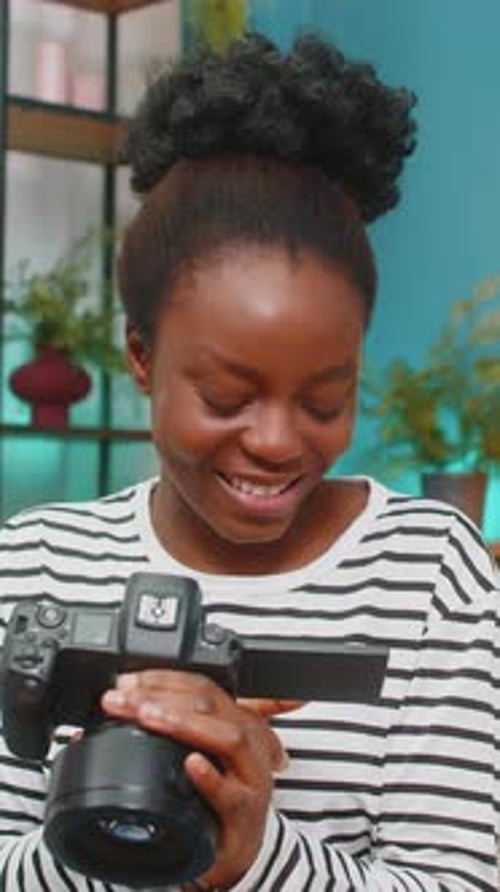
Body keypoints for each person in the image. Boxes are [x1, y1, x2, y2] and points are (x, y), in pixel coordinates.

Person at [0, 32, 498, 892]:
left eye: (324, 400)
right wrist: (118, 804)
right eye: (228, 398)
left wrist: (253, 854)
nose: (276, 442)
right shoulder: (36, 565)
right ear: (143, 357)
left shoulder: (430, 575)